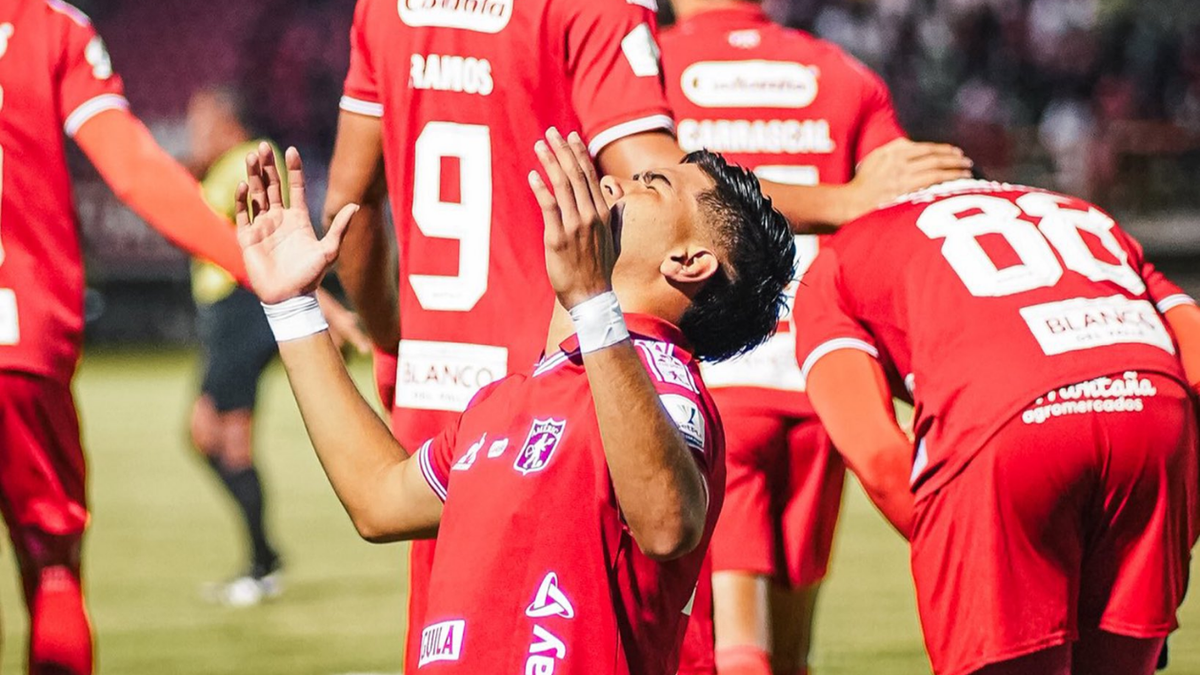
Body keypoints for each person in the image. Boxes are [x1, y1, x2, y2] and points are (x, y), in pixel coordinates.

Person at [322, 0, 971, 668]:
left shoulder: (387, 7)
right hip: (659, 374)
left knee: (466, 632)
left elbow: (350, 207)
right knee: (736, 636)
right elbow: (654, 162)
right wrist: (842, 201)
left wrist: (391, 339)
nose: (623, 186)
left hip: (510, 377)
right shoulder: (831, 70)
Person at [237, 131, 795, 673]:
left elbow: (668, 522)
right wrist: (292, 306)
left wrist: (594, 302)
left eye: (653, 185)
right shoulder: (508, 398)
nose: (617, 182)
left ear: (689, 262)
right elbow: (378, 499)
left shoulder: (666, 382)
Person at [658, 3, 972, 673]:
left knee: (736, 641)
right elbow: (909, 199)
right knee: (792, 646)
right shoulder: (840, 72)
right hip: (817, 376)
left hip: (712, 377)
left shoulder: (652, 66)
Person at [794, 178, 1200, 675]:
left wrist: (961, 553)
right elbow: (1193, 349)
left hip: (1005, 430)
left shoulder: (835, 259)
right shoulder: (1079, 211)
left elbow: (877, 455)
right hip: (1152, 414)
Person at [0, 2, 250, 673]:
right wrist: (248, 259)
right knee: (53, 571)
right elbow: (133, 167)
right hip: (18, 337)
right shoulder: (47, 24)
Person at [183, 85, 370, 606]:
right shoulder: (222, 167)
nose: (195, 134)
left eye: (202, 123)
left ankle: (261, 567)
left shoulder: (250, 161)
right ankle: (265, 557)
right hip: (224, 317)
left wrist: (321, 303)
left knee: (229, 439)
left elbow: (265, 243)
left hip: (244, 313)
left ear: (227, 123)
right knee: (203, 434)